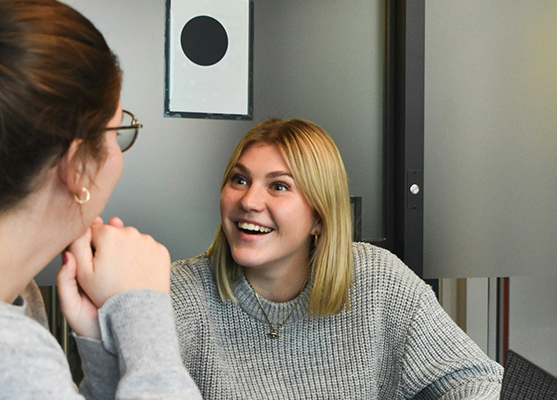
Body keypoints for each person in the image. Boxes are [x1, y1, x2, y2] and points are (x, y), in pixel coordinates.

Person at [170, 118, 504, 399]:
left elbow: (477, 381)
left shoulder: (376, 278)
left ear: (319, 216)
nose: (249, 201)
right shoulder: (179, 293)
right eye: (239, 180)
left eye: (279, 187)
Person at [0, 1, 201, 398]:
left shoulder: (23, 299)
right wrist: (142, 311)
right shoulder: (16, 357)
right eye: (116, 130)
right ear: (77, 168)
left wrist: (100, 348)